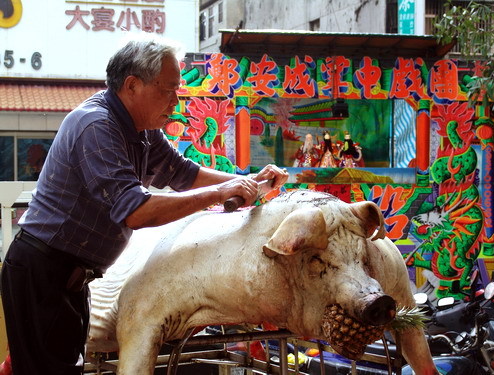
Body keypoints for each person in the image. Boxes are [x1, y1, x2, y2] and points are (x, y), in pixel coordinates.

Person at [0, 35, 288, 375]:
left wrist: (249, 182)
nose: (175, 102)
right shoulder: (96, 125)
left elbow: (183, 173)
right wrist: (220, 193)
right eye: (167, 90)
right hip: (42, 272)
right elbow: (135, 210)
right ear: (132, 85)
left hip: (69, 277)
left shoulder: (142, 129)